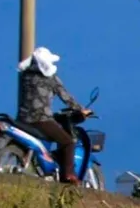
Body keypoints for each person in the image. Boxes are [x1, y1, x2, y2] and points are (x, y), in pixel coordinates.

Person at [16, 46, 90, 185]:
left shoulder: (25, 75)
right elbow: (66, 97)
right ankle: (68, 175)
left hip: (22, 118)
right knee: (68, 142)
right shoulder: (51, 78)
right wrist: (81, 109)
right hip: (41, 119)